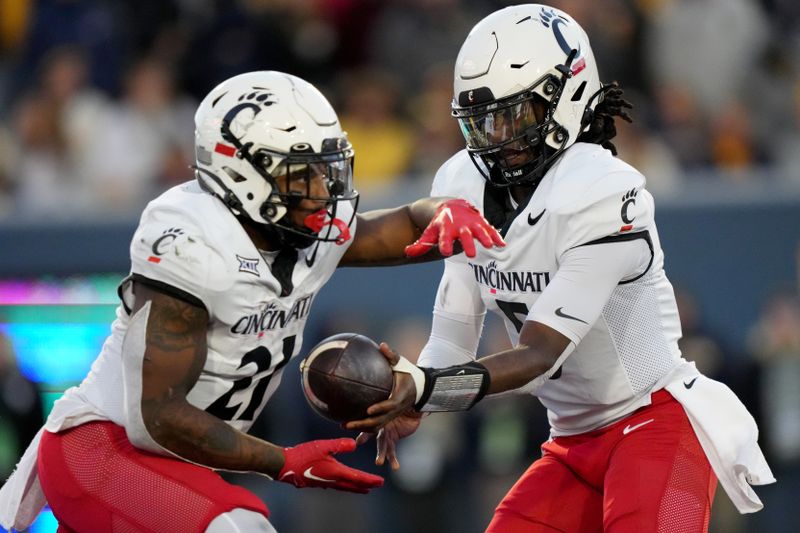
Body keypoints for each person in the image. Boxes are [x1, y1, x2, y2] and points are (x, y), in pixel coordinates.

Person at [0, 70, 505, 533]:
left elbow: (402, 228)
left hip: (174, 465)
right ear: (241, 173)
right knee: (241, 528)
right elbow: (159, 415)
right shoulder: (193, 243)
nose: (322, 191)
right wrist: (281, 460)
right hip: (108, 450)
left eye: (325, 170)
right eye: (300, 174)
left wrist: (442, 210)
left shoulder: (304, 231)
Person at [347, 5, 776, 532]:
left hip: (655, 424)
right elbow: (453, 340)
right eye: (481, 121)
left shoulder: (601, 191)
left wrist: (427, 386)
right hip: (571, 442)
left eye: (512, 115)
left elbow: (539, 355)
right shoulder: (460, 182)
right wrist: (417, 392)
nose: (495, 137)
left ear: (567, 94)